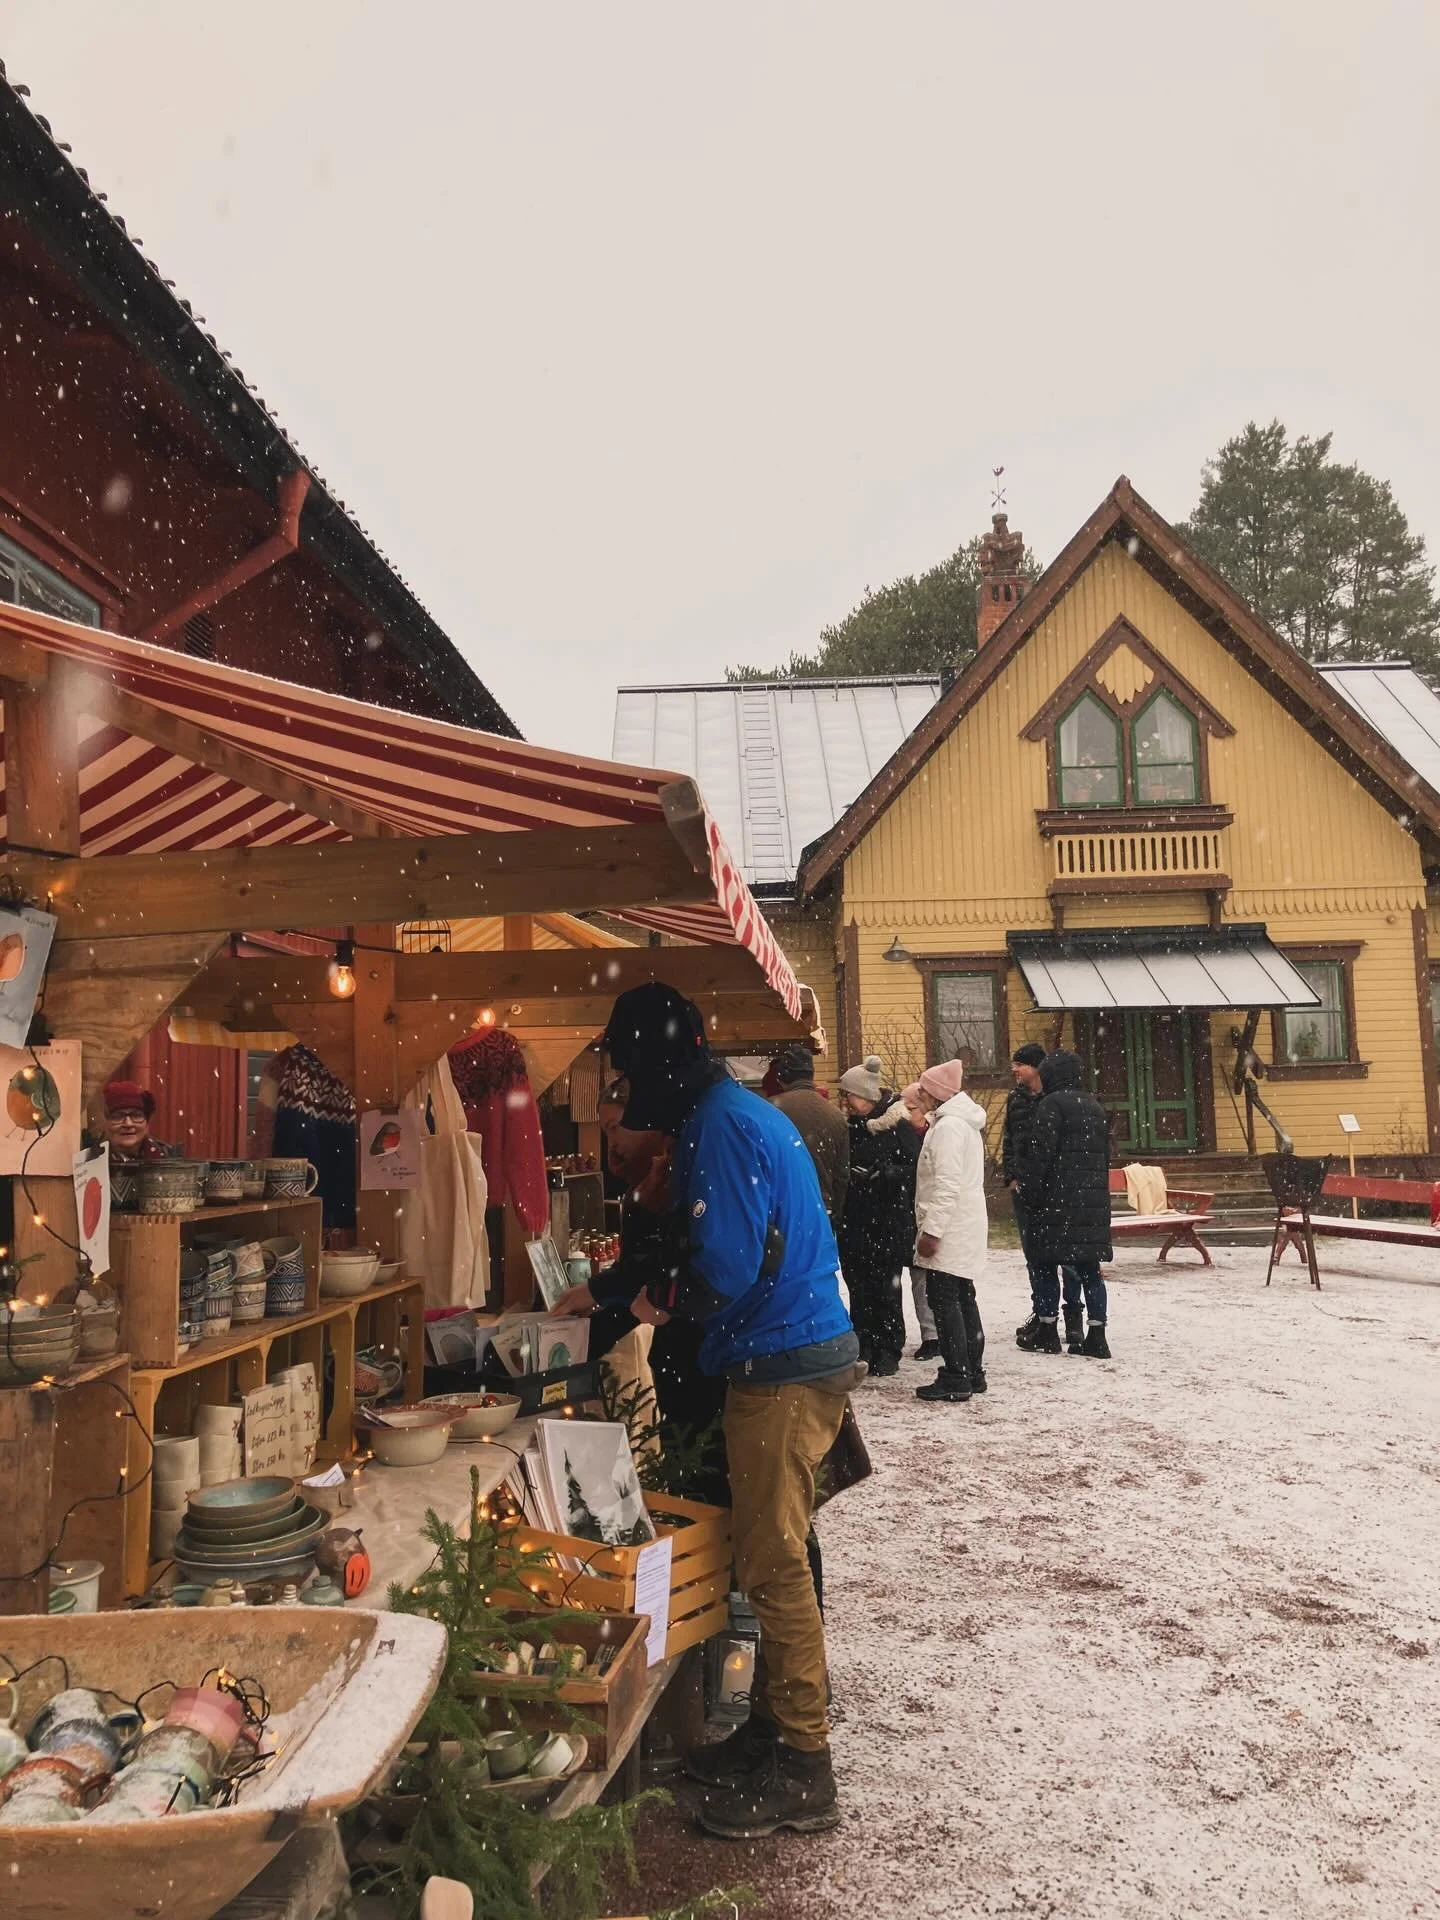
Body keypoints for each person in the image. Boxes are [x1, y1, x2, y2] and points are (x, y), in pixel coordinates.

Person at [602, 984, 859, 1840]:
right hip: (785, 1352)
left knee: (773, 1562)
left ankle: (804, 1765)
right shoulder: (730, 1110)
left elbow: (727, 1267)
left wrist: (639, 1307)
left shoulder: (721, 1124)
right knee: (766, 1554)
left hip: (782, 1363)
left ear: (657, 1071)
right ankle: (771, 1733)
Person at [1016, 1049, 1113, 1359]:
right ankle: (1096, 1334)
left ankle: (1047, 1331)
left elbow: (1039, 1156)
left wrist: (1030, 1193)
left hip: (1054, 1203)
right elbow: (1104, 1157)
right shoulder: (1094, 1107)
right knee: (1089, 1270)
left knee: (1045, 1265)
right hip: (1091, 1204)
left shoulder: (1051, 1105)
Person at [835, 1055, 920, 1377]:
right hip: (855, 1220)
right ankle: (864, 1343)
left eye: (851, 1096)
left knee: (885, 1288)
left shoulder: (898, 1124)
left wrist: (883, 1174)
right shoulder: (850, 1127)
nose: (847, 1102)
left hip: (886, 1220)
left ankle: (888, 1347)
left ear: (868, 1096)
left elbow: (915, 1169)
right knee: (858, 1286)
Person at [910, 1060, 989, 1404]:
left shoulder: (949, 1129)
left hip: (951, 1224)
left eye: (924, 1090)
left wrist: (932, 1232)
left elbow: (946, 1185)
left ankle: (957, 1374)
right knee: (962, 1296)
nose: (921, 1095)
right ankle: (972, 1371)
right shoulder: (960, 1124)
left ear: (937, 1094)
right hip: (964, 1221)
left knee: (945, 1299)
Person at [1005, 1045, 1085, 1351]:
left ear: (1038, 1068)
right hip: (1025, 1188)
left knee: (1069, 1257)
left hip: (1056, 1190)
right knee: (1035, 1256)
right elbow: (1010, 1140)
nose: (1015, 1070)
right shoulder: (1015, 1098)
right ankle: (1042, 1314)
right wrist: (1012, 1175)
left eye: (1020, 1064)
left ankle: (1074, 1317)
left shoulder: (1057, 1100)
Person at [767, 1045, 849, 1228]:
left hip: (780, 1209)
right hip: (821, 1209)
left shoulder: (769, 1110)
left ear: (781, 1079)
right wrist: (836, 1210)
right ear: (811, 1075)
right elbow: (842, 1176)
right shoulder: (835, 1115)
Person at [899, 1081, 941, 1358]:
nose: (906, 1112)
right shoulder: (898, 1133)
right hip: (905, 1211)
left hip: (929, 1211)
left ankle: (935, 1334)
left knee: (927, 1276)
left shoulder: (937, 1134)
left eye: (911, 1107)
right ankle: (931, 1333)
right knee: (918, 1275)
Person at [101, 1081, 175, 1161]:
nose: (128, 1124)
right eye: (118, 1116)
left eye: (136, 1115)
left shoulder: (170, 1158)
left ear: (147, 1122)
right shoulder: (89, 1161)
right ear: (106, 1122)